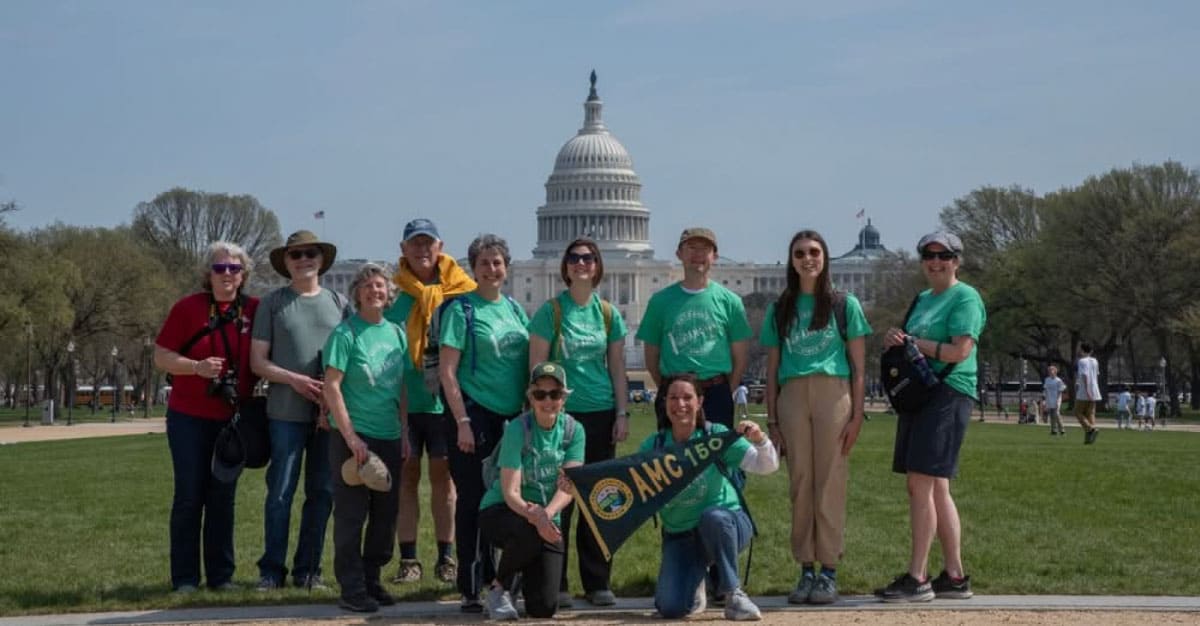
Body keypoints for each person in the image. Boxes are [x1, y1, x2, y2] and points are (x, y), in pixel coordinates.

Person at [761, 230, 870, 605]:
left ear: (824, 258)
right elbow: (772, 369)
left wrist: (857, 415)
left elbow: (859, 367)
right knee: (800, 482)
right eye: (800, 253)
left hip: (833, 393)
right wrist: (772, 421)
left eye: (814, 252)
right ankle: (805, 568)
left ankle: (829, 570)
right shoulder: (781, 308)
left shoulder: (844, 304)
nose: (808, 258)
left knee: (830, 481)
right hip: (792, 395)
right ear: (791, 260)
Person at [877, 231, 986, 603]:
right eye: (929, 255)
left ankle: (917, 576)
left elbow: (960, 351)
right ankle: (954, 576)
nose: (936, 262)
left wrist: (913, 342)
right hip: (921, 393)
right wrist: (897, 337)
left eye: (944, 256)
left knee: (919, 484)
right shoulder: (923, 299)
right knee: (937, 486)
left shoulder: (965, 297)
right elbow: (912, 342)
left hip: (949, 391)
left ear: (957, 260)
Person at [153, 242, 260, 592]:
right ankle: (185, 578)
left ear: (243, 274)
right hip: (189, 416)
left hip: (231, 418)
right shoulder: (189, 309)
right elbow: (161, 356)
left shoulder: (255, 310)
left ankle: (221, 577)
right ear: (208, 274)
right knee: (188, 495)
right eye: (219, 268)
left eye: (233, 268)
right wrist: (196, 368)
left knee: (223, 498)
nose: (227, 274)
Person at [527, 237, 628, 607]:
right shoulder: (550, 312)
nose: (581, 263)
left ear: (597, 265)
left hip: (600, 413)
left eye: (588, 258)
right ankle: (558, 581)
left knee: (599, 501)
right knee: (561, 498)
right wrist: (542, 413)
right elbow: (536, 369)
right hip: (562, 416)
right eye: (574, 258)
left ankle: (597, 580)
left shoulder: (607, 313)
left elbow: (617, 367)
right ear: (565, 266)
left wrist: (621, 412)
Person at [250, 230, 348, 591]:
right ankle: (271, 570)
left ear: (321, 260)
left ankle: (309, 570)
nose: (304, 259)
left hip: (328, 415)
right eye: (296, 255)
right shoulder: (272, 304)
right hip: (285, 413)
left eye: (310, 254)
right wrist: (293, 380)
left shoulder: (338, 303)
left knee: (322, 493)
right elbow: (257, 362)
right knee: (280, 492)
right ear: (286, 263)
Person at [439, 234, 531, 612]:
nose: (492, 269)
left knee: (513, 499)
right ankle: (472, 583)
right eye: (484, 263)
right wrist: (461, 420)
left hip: (512, 419)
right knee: (475, 501)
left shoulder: (515, 309)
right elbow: (447, 371)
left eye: (497, 262)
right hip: (474, 416)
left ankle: (508, 578)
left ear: (506, 267)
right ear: (472, 269)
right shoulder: (461, 310)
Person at [644, 374, 779, 621]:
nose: (680, 404)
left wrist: (760, 439)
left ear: (700, 402)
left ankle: (733, 595)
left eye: (687, 397)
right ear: (664, 403)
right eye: (673, 398)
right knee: (670, 607)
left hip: (727, 524)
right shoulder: (654, 446)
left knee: (713, 517)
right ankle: (696, 582)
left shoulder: (715, 434)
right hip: (681, 535)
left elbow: (766, 466)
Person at [386, 218, 475, 585]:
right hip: (404, 404)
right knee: (405, 480)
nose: (422, 250)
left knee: (445, 482)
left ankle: (446, 558)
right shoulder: (393, 296)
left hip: (444, 405)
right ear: (403, 250)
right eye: (415, 244)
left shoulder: (460, 293)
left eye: (428, 243)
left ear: (440, 247)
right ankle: (408, 560)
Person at [323, 263, 408, 613]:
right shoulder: (345, 334)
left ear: (389, 295)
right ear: (357, 293)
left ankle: (373, 578)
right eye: (369, 286)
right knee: (351, 514)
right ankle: (352, 586)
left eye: (381, 286)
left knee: (385, 516)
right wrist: (351, 436)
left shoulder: (397, 333)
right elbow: (331, 386)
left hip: (389, 435)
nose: (376, 291)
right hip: (353, 437)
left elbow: (402, 387)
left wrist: (404, 432)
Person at [479, 362, 586, 620]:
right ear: (531, 397)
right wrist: (536, 516)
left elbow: (569, 487)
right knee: (527, 531)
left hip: (547, 517)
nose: (547, 401)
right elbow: (510, 491)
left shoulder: (574, 431)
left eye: (555, 394)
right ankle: (498, 588)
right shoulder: (518, 428)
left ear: (564, 398)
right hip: (504, 509)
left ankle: (518, 580)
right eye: (540, 394)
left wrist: (546, 515)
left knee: (544, 608)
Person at [637, 227, 753, 429]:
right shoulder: (660, 302)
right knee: (673, 458)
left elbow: (740, 358)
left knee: (716, 458)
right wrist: (670, 388)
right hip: (675, 393)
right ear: (679, 254)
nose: (698, 255)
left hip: (716, 393)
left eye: (705, 249)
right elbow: (651, 358)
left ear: (714, 256)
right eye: (691, 248)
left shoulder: (730, 302)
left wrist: (725, 390)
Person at [1074, 343, 1101, 444]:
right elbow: (1096, 376)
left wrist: (1087, 390)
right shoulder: (1095, 361)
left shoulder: (1082, 361)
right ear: (1091, 351)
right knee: (1090, 414)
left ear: (1081, 350)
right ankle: (1089, 438)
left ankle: (1091, 428)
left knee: (1078, 412)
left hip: (1085, 390)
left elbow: (1084, 375)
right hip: (1095, 389)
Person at [1043, 365, 1066, 436]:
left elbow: (1060, 391)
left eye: (1051, 370)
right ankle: (1054, 430)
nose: (1050, 372)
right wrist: (1045, 400)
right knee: (1052, 415)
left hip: (1056, 399)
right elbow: (1046, 390)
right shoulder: (1047, 379)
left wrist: (1057, 400)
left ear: (1055, 371)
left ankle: (1062, 429)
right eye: (1049, 371)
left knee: (1056, 414)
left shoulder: (1058, 380)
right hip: (1049, 399)